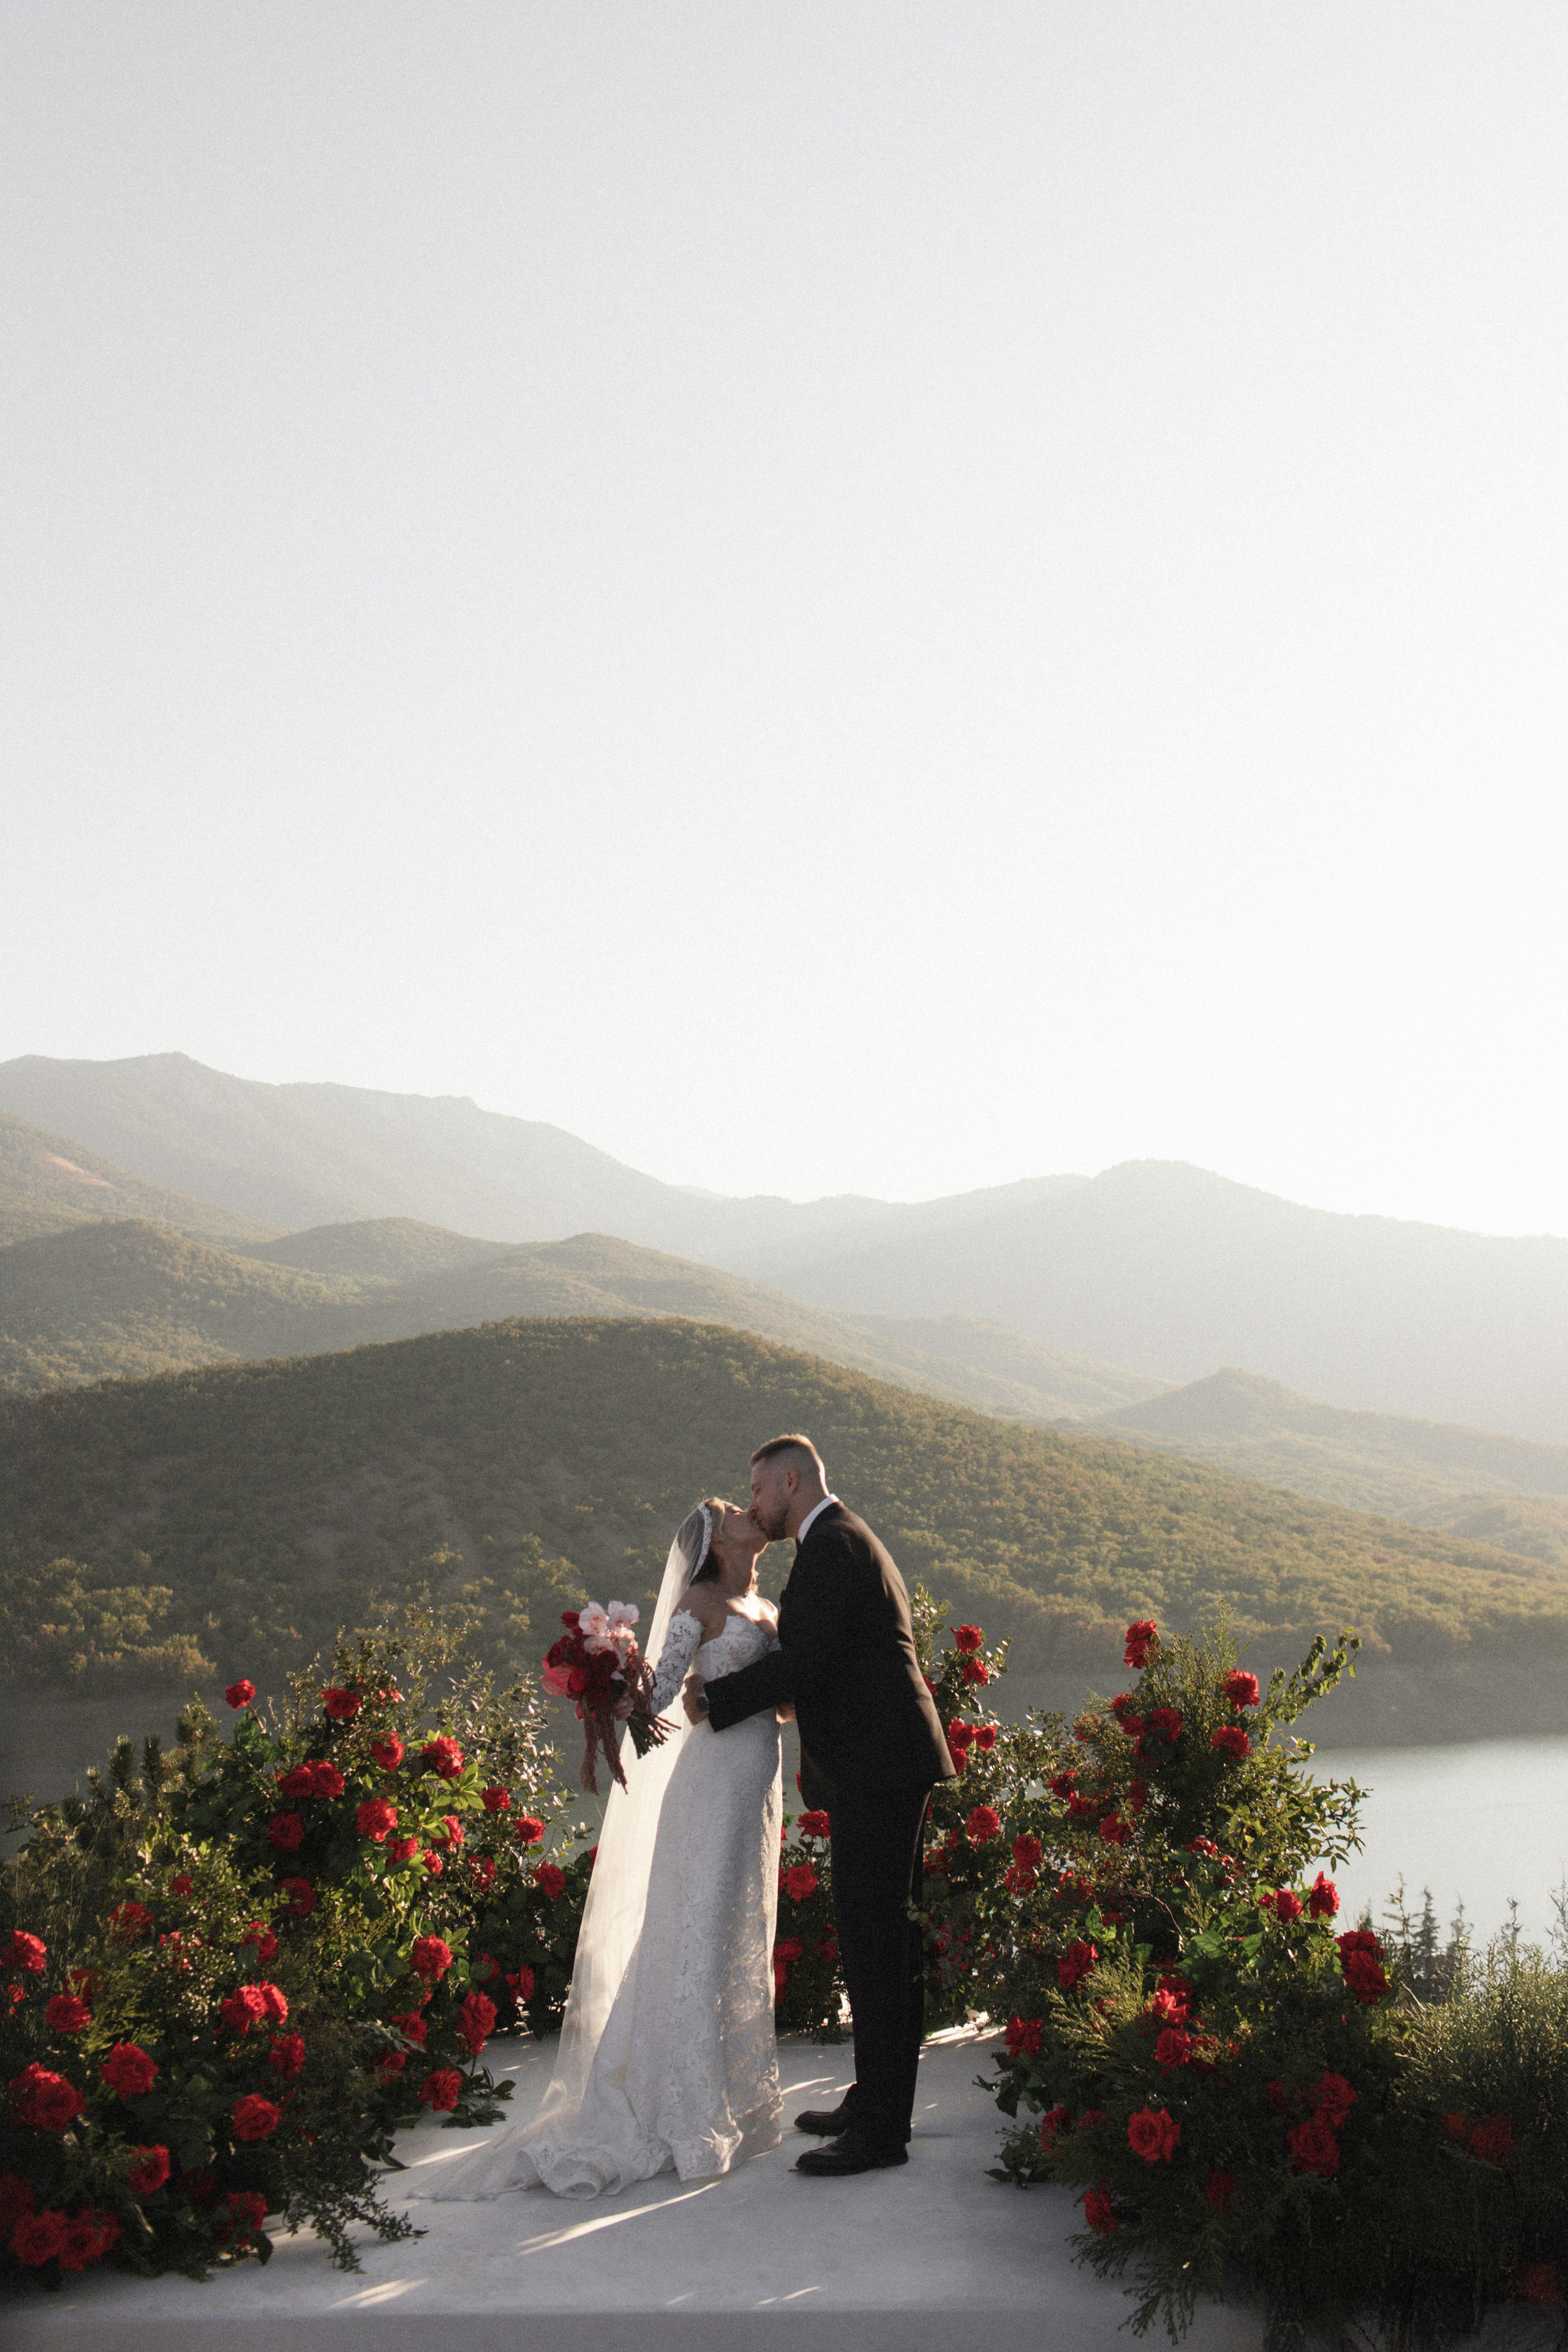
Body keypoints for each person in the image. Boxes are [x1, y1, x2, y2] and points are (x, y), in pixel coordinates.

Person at [413, 1498, 785, 2200]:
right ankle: (683, 2107)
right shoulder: (699, 1604)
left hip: (757, 1785)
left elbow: (787, 1699)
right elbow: (659, 1696)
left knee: (740, 1926)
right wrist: (610, 1679)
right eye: (734, 1508)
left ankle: (731, 2095)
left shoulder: (766, 1606)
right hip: (708, 1786)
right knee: (696, 1931)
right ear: (712, 1539)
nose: (749, 1510)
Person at [686, 1434, 955, 2176]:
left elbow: (803, 1664)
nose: (753, 1507)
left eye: (759, 1492)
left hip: (881, 1766)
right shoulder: (837, 1539)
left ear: (791, 1480)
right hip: (881, 1762)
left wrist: (714, 1700)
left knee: (876, 1942)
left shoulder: (833, 1546)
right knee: (879, 1938)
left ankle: (881, 2134)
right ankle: (876, 2102)